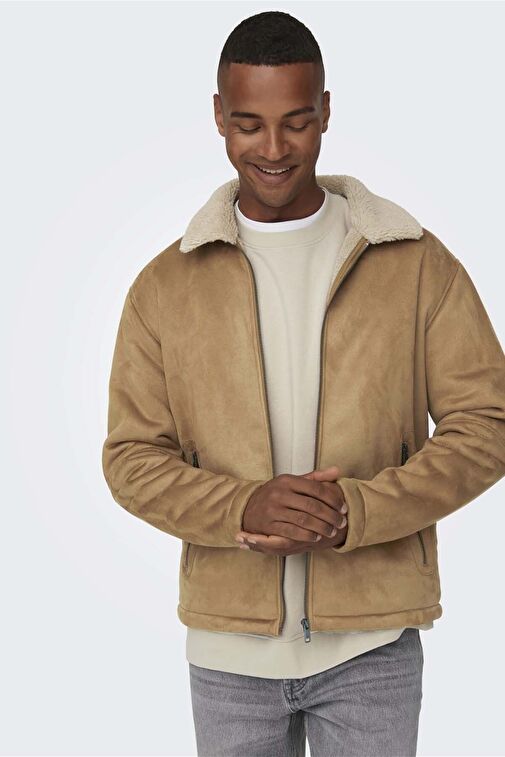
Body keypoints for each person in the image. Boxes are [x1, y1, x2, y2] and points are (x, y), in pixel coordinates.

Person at [101, 10, 505, 757]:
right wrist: (241, 505)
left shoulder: (415, 263)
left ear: (325, 110)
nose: (273, 148)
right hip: (228, 653)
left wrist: (360, 511)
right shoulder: (164, 287)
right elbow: (131, 459)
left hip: (373, 645)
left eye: (295, 121)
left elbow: (486, 424)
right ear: (218, 116)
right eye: (248, 124)